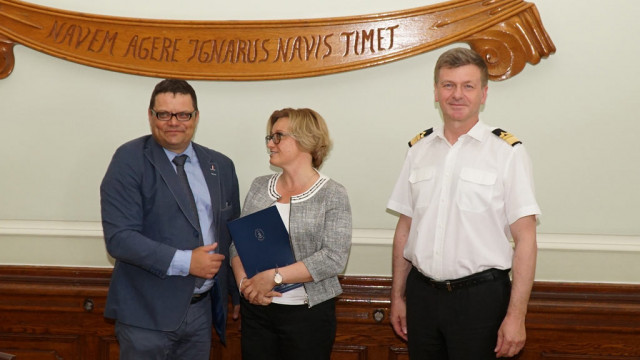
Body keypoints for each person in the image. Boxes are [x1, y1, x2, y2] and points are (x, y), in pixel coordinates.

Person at [387, 47, 540, 359]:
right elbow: (405, 228)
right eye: (448, 85)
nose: (457, 95)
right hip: (422, 296)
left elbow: (526, 238)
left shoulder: (507, 152)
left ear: (483, 94)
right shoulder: (419, 149)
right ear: (436, 92)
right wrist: (397, 296)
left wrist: (516, 316)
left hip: (480, 300)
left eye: (468, 86)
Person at [100, 79, 240, 359]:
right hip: (146, 315)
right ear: (151, 116)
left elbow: (230, 233)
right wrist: (188, 262)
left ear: (196, 117)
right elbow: (120, 239)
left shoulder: (220, 166)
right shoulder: (128, 159)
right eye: (164, 114)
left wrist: (236, 293)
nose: (173, 122)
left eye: (183, 114)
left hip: (202, 313)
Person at [229, 107, 352, 360]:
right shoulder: (260, 186)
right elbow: (238, 243)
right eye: (269, 137)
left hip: (308, 317)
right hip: (257, 313)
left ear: (305, 140)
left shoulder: (333, 193)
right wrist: (245, 285)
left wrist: (274, 278)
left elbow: (333, 258)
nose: (270, 144)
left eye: (278, 136)